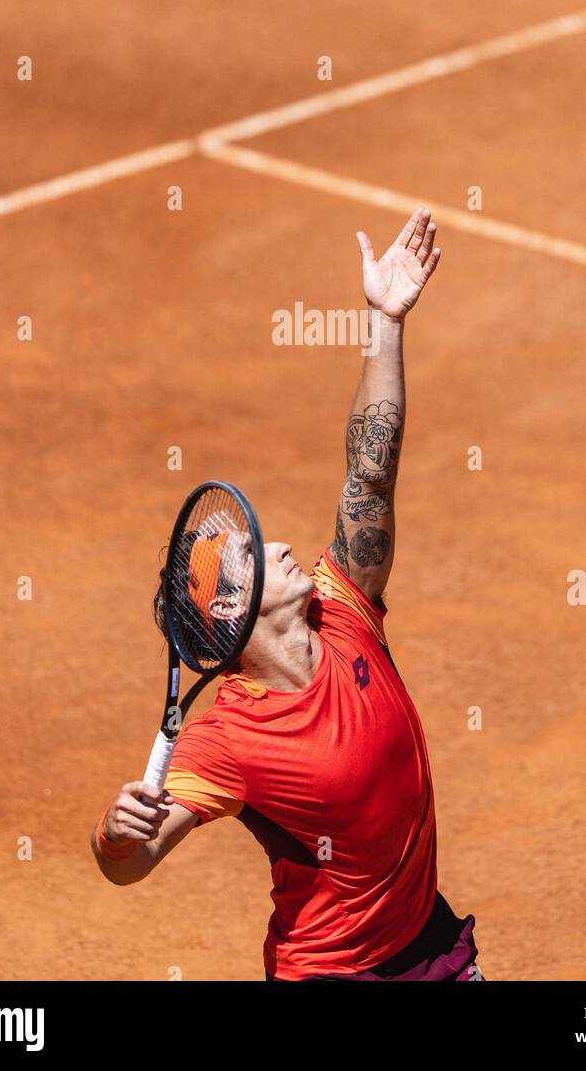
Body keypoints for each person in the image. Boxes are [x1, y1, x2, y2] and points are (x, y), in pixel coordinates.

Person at [91, 208, 482, 981]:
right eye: (251, 552)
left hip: (430, 946)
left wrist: (386, 321)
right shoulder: (227, 741)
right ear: (232, 611)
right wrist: (113, 833)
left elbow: (369, 473)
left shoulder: (344, 609)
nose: (276, 542)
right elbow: (130, 864)